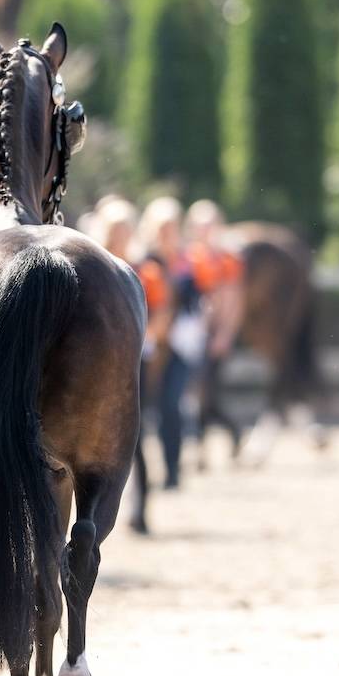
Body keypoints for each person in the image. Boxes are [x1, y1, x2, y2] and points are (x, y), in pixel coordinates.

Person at [87, 196, 169, 532]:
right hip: (93, 362)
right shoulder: (89, 267)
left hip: (134, 360)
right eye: (114, 229)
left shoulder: (145, 271)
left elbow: (163, 316)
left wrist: (136, 339)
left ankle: (140, 508)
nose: (120, 235)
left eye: (124, 229)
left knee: (134, 434)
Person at [137, 197, 204, 489]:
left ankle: (173, 470)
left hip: (178, 346)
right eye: (162, 227)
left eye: (171, 227)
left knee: (171, 405)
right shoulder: (144, 262)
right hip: (148, 346)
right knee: (142, 411)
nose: (167, 233)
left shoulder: (187, 263)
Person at [184, 199, 244, 461]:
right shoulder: (191, 256)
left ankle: (219, 437)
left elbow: (233, 299)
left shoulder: (226, 258)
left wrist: (224, 334)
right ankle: (206, 443)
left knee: (207, 392)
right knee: (196, 391)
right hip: (192, 335)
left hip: (212, 335)